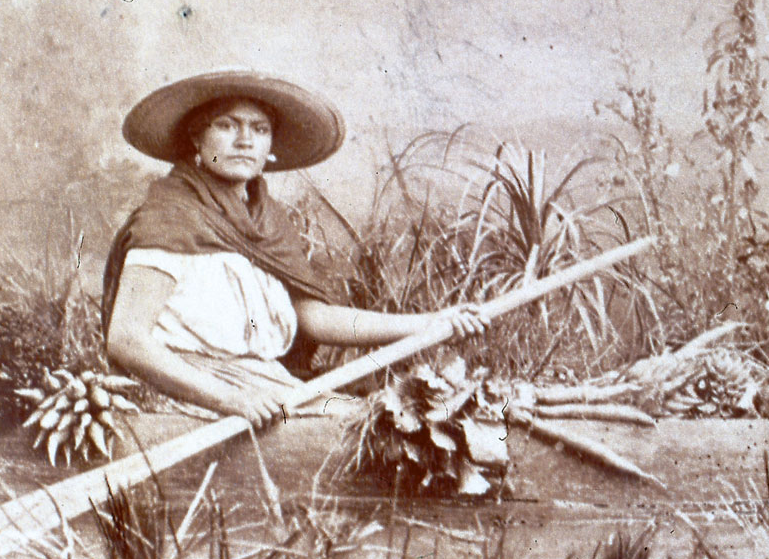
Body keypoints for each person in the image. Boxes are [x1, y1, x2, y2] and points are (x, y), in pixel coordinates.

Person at [102, 71, 488, 428]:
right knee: (366, 429)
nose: (245, 140)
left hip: (263, 386)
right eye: (226, 125)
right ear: (196, 139)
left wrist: (430, 323)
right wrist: (228, 399)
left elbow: (311, 317)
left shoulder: (269, 221)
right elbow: (127, 339)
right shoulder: (171, 216)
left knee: (397, 420)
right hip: (187, 399)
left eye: (259, 128)